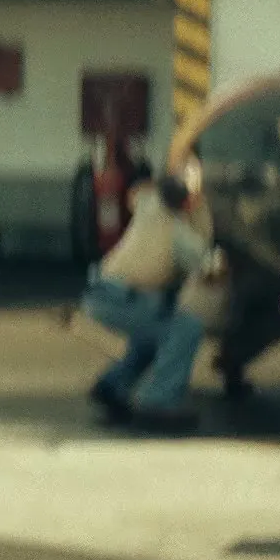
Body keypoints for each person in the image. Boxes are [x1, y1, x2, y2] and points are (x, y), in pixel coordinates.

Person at [78, 160, 226, 432]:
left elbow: (137, 191)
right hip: (124, 298)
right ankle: (159, 401)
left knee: (153, 335)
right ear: (191, 201)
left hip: (101, 291)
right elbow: (211, 271)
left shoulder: (150, 204)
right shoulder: (182, 237)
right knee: (186, 328)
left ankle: (112, 387)